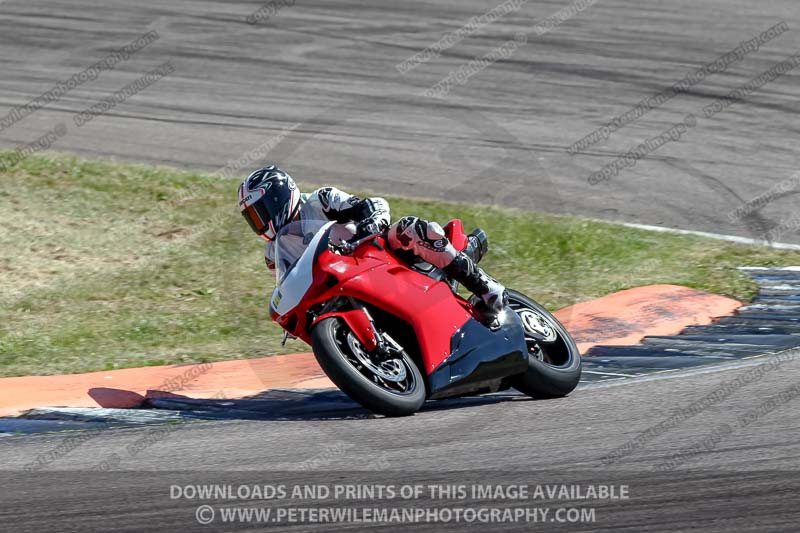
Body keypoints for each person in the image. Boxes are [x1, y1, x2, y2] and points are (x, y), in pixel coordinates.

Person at [237, 165, 507, 317]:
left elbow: (371, 204)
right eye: (252, 218)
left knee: (411, 229)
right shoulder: (273, 253)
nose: (258, 222)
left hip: (372, 253)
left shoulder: (320, 199)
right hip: (339, 283)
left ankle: (485, 286)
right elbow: (288, 283)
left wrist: (372, 223)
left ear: (278, 198)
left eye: (260, 212)